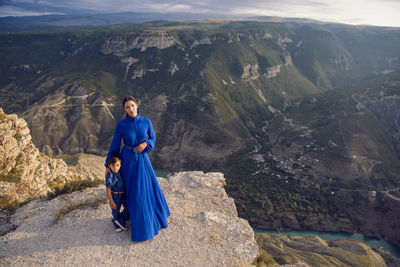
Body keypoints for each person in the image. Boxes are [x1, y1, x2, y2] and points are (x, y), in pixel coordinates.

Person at [105, 96, 171, 241]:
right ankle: (128, 220)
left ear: (137, 105)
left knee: (147, 189)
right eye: (127, 107)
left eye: (133, 106)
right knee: (133, 192)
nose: (131, 109)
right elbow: (115, 145)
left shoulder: (146, 121)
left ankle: (151, 219)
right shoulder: (121, 125)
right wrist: (107, 165)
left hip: (142, 160)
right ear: (124, 109)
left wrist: (146, 144)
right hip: (127, 161)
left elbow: (152, 139)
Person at [105, 153, 129, 232]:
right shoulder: (111, 176)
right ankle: (116, 224)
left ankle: (120, 220)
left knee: (128, 207)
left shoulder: (119, 172)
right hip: (115, 196)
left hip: (123, 194)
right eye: (113, 166)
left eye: (117, 165)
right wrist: (111, 201)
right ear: (109, 166)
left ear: (120, 164)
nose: (115, 168)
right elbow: (108, 189)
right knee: (115, 210)